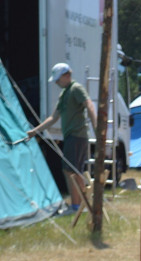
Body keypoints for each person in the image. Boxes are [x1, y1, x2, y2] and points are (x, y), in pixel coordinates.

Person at [26, 63, 98, 214]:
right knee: (73, 171)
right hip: (71, 136)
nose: (57, 83)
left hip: (77, 136)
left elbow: (89, 105)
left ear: (67, 75)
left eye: (58, 79)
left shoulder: (76, 88)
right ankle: (80, 205)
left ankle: (77, 206)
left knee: (71, 171)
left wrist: (96, 127)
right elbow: (53, 117)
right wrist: (35, 131)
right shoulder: (64, 93)